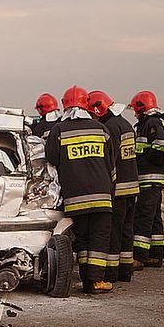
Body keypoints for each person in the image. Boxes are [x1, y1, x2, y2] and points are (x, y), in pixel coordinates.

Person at [45, 85, 117, 294]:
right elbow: (112, 164)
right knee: (100, 238)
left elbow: (51, 159)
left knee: (83, 239)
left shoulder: (58, 130)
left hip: (75, 198)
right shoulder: (101, 129)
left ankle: (87, 279)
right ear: (87, 105)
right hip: (102, 195)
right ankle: (95, 281)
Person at [88, 90, 139, 283]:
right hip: (132, 186)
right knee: (127, 230)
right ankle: (125, 271)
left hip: (118, 188)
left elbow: (110, 161)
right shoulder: (125, 125)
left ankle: (111, 272)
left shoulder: (109, 128)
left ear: (98, 109)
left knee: (113, 232)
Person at [131, 90, 164, 268]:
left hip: (149, 178)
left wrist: (145, 162)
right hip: (152, 178)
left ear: (141, 107)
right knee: (154, 217)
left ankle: (139, 256)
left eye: (135, 109)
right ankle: (156, 254)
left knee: (143, 217)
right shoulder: (149, 123)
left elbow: (160, 146)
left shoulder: (152, 123)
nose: (134, 113)